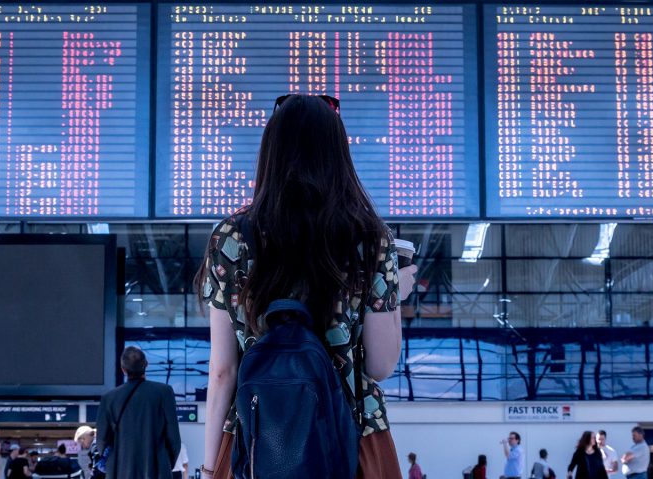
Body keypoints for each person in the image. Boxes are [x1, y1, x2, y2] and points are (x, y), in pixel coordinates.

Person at [196, 94, 418, 478]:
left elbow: (222, 371)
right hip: (354, 435)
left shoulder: (230, 237)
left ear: (271, 152)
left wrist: (207, 466)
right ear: (337, 155)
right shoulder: (369, 236)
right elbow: (380, 365)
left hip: (256, 438)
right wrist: (395, 293)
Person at [96, 346, 180, 479]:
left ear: (123, 369)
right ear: (146, 364)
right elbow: (174, 438)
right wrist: (165, 463)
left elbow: (101, 440)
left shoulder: (109, 398)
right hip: (157, 469)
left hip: (120, 469)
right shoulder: (164, 392)